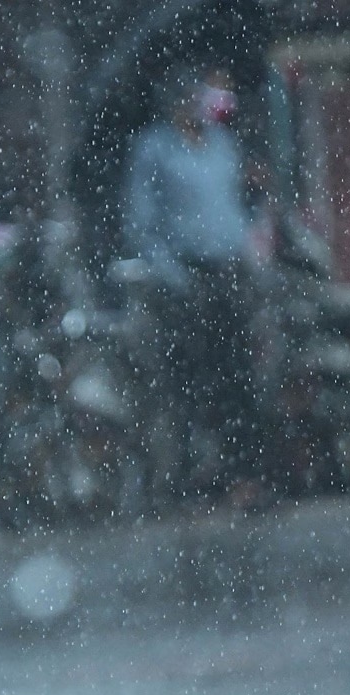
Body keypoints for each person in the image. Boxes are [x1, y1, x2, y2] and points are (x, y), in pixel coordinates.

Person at [124, 64, 262, 503]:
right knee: (190, 381)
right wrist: (175, 277)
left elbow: (236, 206)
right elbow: (141, 223)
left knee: (240, 378)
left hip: (232, 275)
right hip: (186, 281)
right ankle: (190, 478)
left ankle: (242, 475)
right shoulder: (154, 149)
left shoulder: (223, 145)